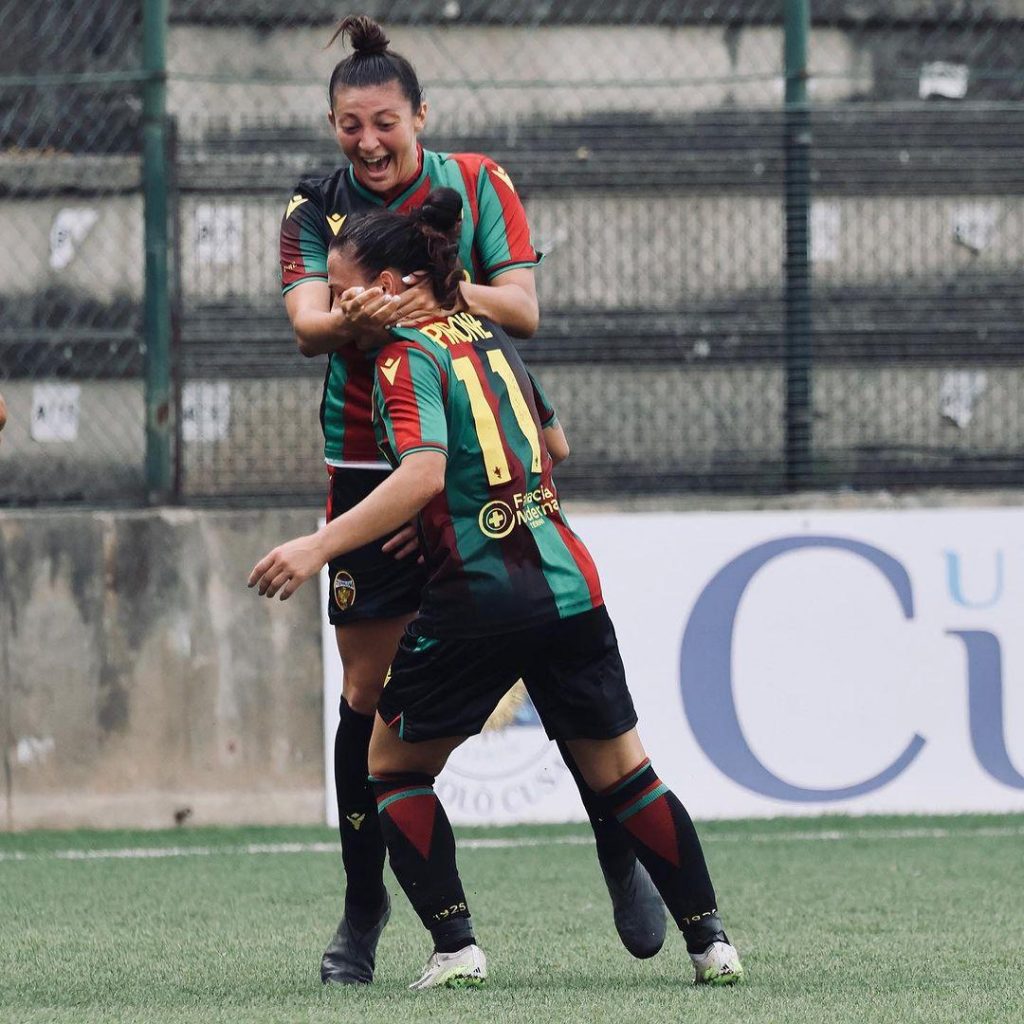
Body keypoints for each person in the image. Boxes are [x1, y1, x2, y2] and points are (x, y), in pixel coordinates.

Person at [252, 189, 743, 991]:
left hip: (479, 597)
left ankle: (455, 949)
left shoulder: (403, 355)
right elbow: (555, 441)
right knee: (628, 774)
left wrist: (316, 546)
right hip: (569, 582)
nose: (341, 309)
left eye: (350, 292)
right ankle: (712, 944)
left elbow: (420, 474)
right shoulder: (488, 334)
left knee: (393, 769)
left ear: (401, 283)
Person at [279, 14, 663, 983]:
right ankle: (364, 910)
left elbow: (523, 308)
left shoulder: (479, 183)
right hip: (371, 465)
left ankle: (619, 848)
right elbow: (306, 326)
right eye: (348, 125)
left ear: (421, 116)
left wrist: (428, 297)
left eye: (384, 124)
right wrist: (352, 315)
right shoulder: (310, 208)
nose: (366, 143)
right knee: (364, 701)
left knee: (542, 656)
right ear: (331, 126)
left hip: (482, 458)